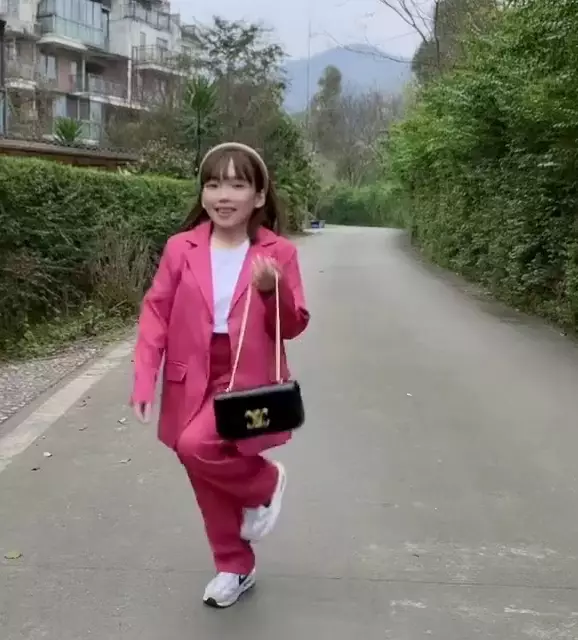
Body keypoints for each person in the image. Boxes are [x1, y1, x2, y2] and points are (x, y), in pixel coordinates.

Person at [130, 142, 310, 609]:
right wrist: (144, 376)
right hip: (190, 373)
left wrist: (273, 290)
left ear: (258, 195)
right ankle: (234, 567)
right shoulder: (181, 247)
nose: (223, 196)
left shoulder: (278, 252)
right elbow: (156, 312)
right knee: (200, 468)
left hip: (247, 375)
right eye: (213, 184)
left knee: (195, 447)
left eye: (236, 185)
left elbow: (293, 325)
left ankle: (263, 486)